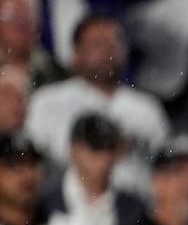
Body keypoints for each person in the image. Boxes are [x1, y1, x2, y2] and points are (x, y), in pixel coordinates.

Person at [24, 12, 168, 195]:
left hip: (135, 211)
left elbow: (165, 169)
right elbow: (32, 163)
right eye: (97, 44)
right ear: (76, 53)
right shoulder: (47, 102)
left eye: (115, 42)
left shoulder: (147, 108)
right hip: (68, 212)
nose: (108, 50)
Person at [41, 111, 143, 225]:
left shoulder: (133, 208)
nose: (105, 157)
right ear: (74, 149)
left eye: (111, 147)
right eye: (96, 147)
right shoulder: (45, 203)